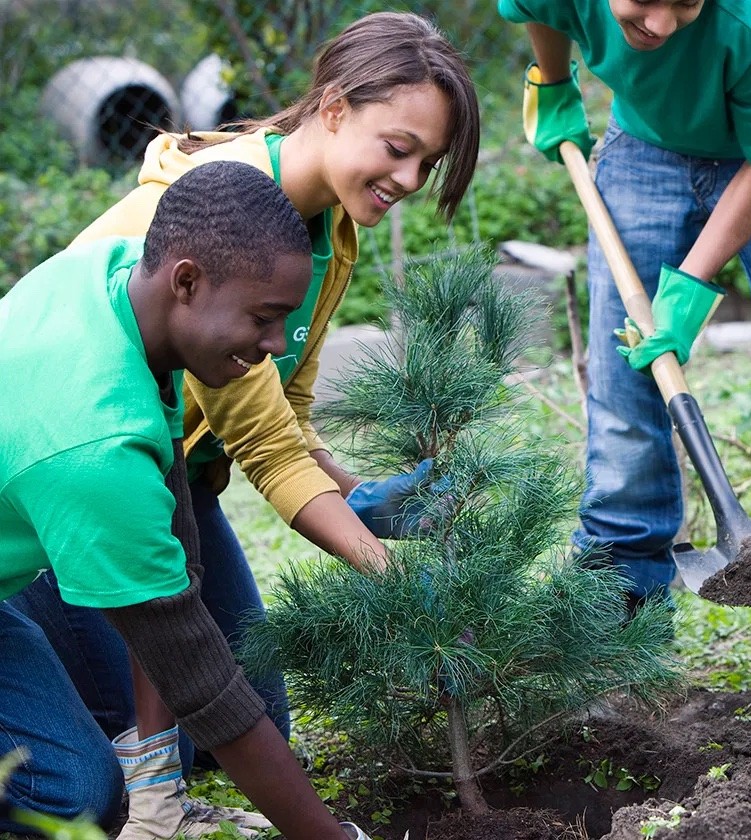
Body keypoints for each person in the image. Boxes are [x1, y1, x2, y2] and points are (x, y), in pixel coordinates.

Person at [8, 9, 480, 777]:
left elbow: (282, 412)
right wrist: (399, 582)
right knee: (146, 736)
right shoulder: (220, 219)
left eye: (427, 164)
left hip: (178, 485)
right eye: (399, 150)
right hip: (76, 483)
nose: (409, 181)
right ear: (332, 107)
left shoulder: (330, 230)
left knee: (251, 725)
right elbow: (267, 450)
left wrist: (355, 491)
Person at [497, 0, 751, 683]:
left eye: (684, 2)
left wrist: (689, 288)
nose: (659, 24)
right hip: (648, 135)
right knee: (621, 364)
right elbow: (538, 10)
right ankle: (624, 584)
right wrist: (553, 81)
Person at [0, 161, 372, 838]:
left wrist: (158, 775)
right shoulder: (94, 441)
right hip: (51, 500)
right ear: (188, 281)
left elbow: (174, 547)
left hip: (17, 553)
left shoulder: (113, 283)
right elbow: (197, 675)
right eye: (265, 318)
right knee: (73, 795)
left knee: (184, 728)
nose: (272, 348)